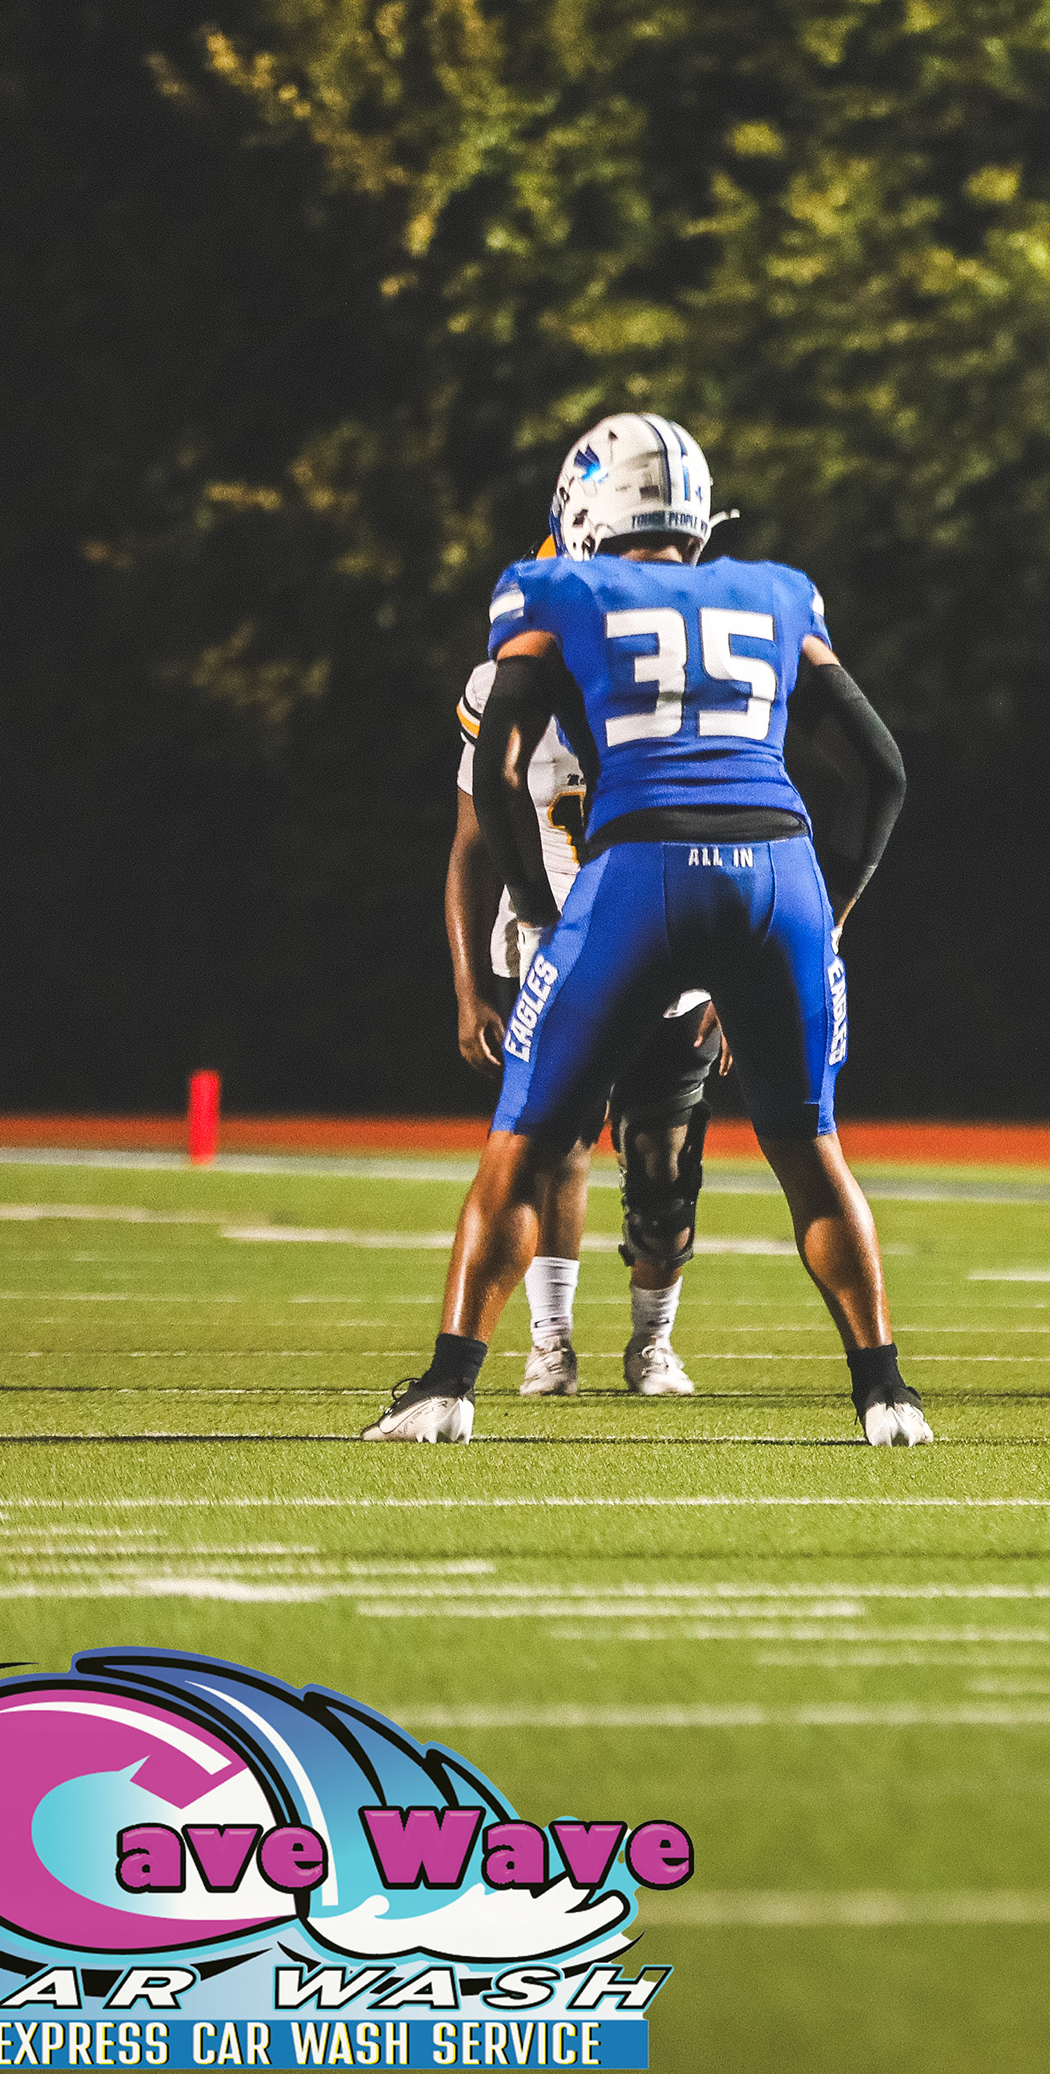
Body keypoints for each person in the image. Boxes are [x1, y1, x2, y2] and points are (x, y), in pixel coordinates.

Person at [360, 413, 925, 1445]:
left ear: (583, 509)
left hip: (639, 872)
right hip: (781, 871)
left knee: (523, 1146)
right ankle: (887, 1394)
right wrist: (832, 917)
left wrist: (543, 914)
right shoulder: (777, 590)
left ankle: (447, 1387)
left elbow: (498, 763)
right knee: (811, 1149)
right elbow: (880, 769)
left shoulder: (554, 591)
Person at [446, 422, 722, 1402]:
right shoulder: (510, 676)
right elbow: (474, 838)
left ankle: (652, 1343)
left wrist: (731, 969)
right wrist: (471, 982)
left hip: (670, 946)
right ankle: (551, 1342)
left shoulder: (693, 670)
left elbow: (734, 824)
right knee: (553, 1151)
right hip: (555, 943)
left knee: (663, 1165)